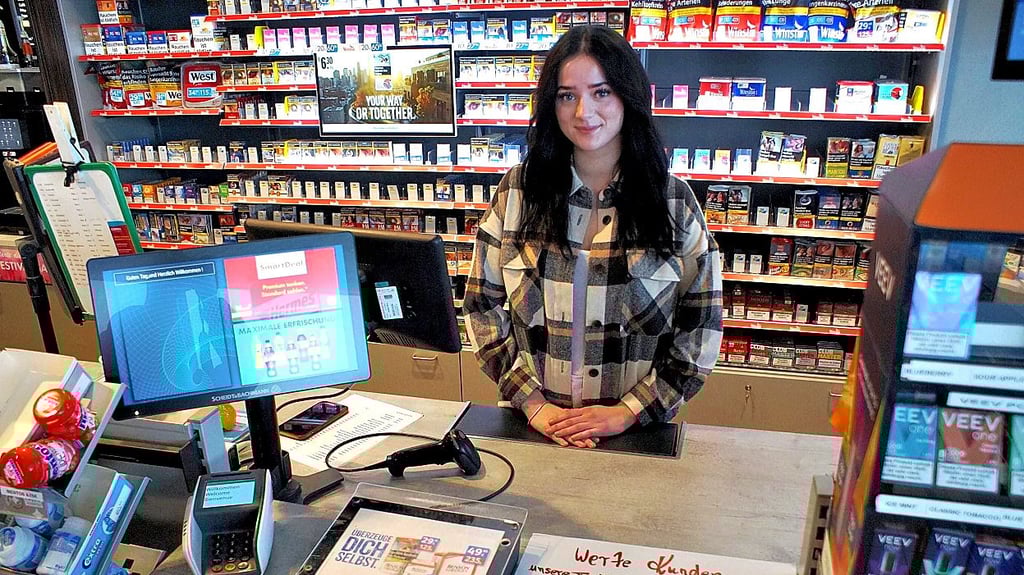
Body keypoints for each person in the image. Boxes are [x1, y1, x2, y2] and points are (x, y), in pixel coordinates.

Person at [464, 25, 723, 448]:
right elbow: (481, 306)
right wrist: (533, 404)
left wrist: (628, 412)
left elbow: (701, 329)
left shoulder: (674, 203)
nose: (584, 112)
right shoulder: (517, 192)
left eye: (601, 92)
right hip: (533, 430)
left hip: (636, 436)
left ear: (628, 96)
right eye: (567, 95)